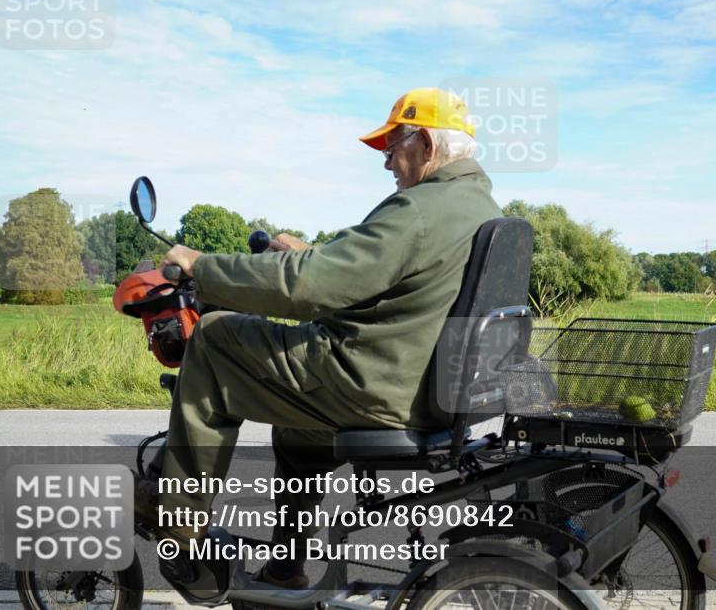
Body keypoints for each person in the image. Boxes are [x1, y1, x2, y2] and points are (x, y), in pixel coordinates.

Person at [134, 88, 502, 589]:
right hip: (426, 391)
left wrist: (204, 267)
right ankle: (285, 568)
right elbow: (392, 281)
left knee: (216, 340)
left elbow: (308, 287)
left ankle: (177, 522)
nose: (388, 161)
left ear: (427, 147)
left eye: (393, 146)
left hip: (373, 385)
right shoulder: (476, 204)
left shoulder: (418, 208)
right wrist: (315, 254)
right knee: (299, 436)